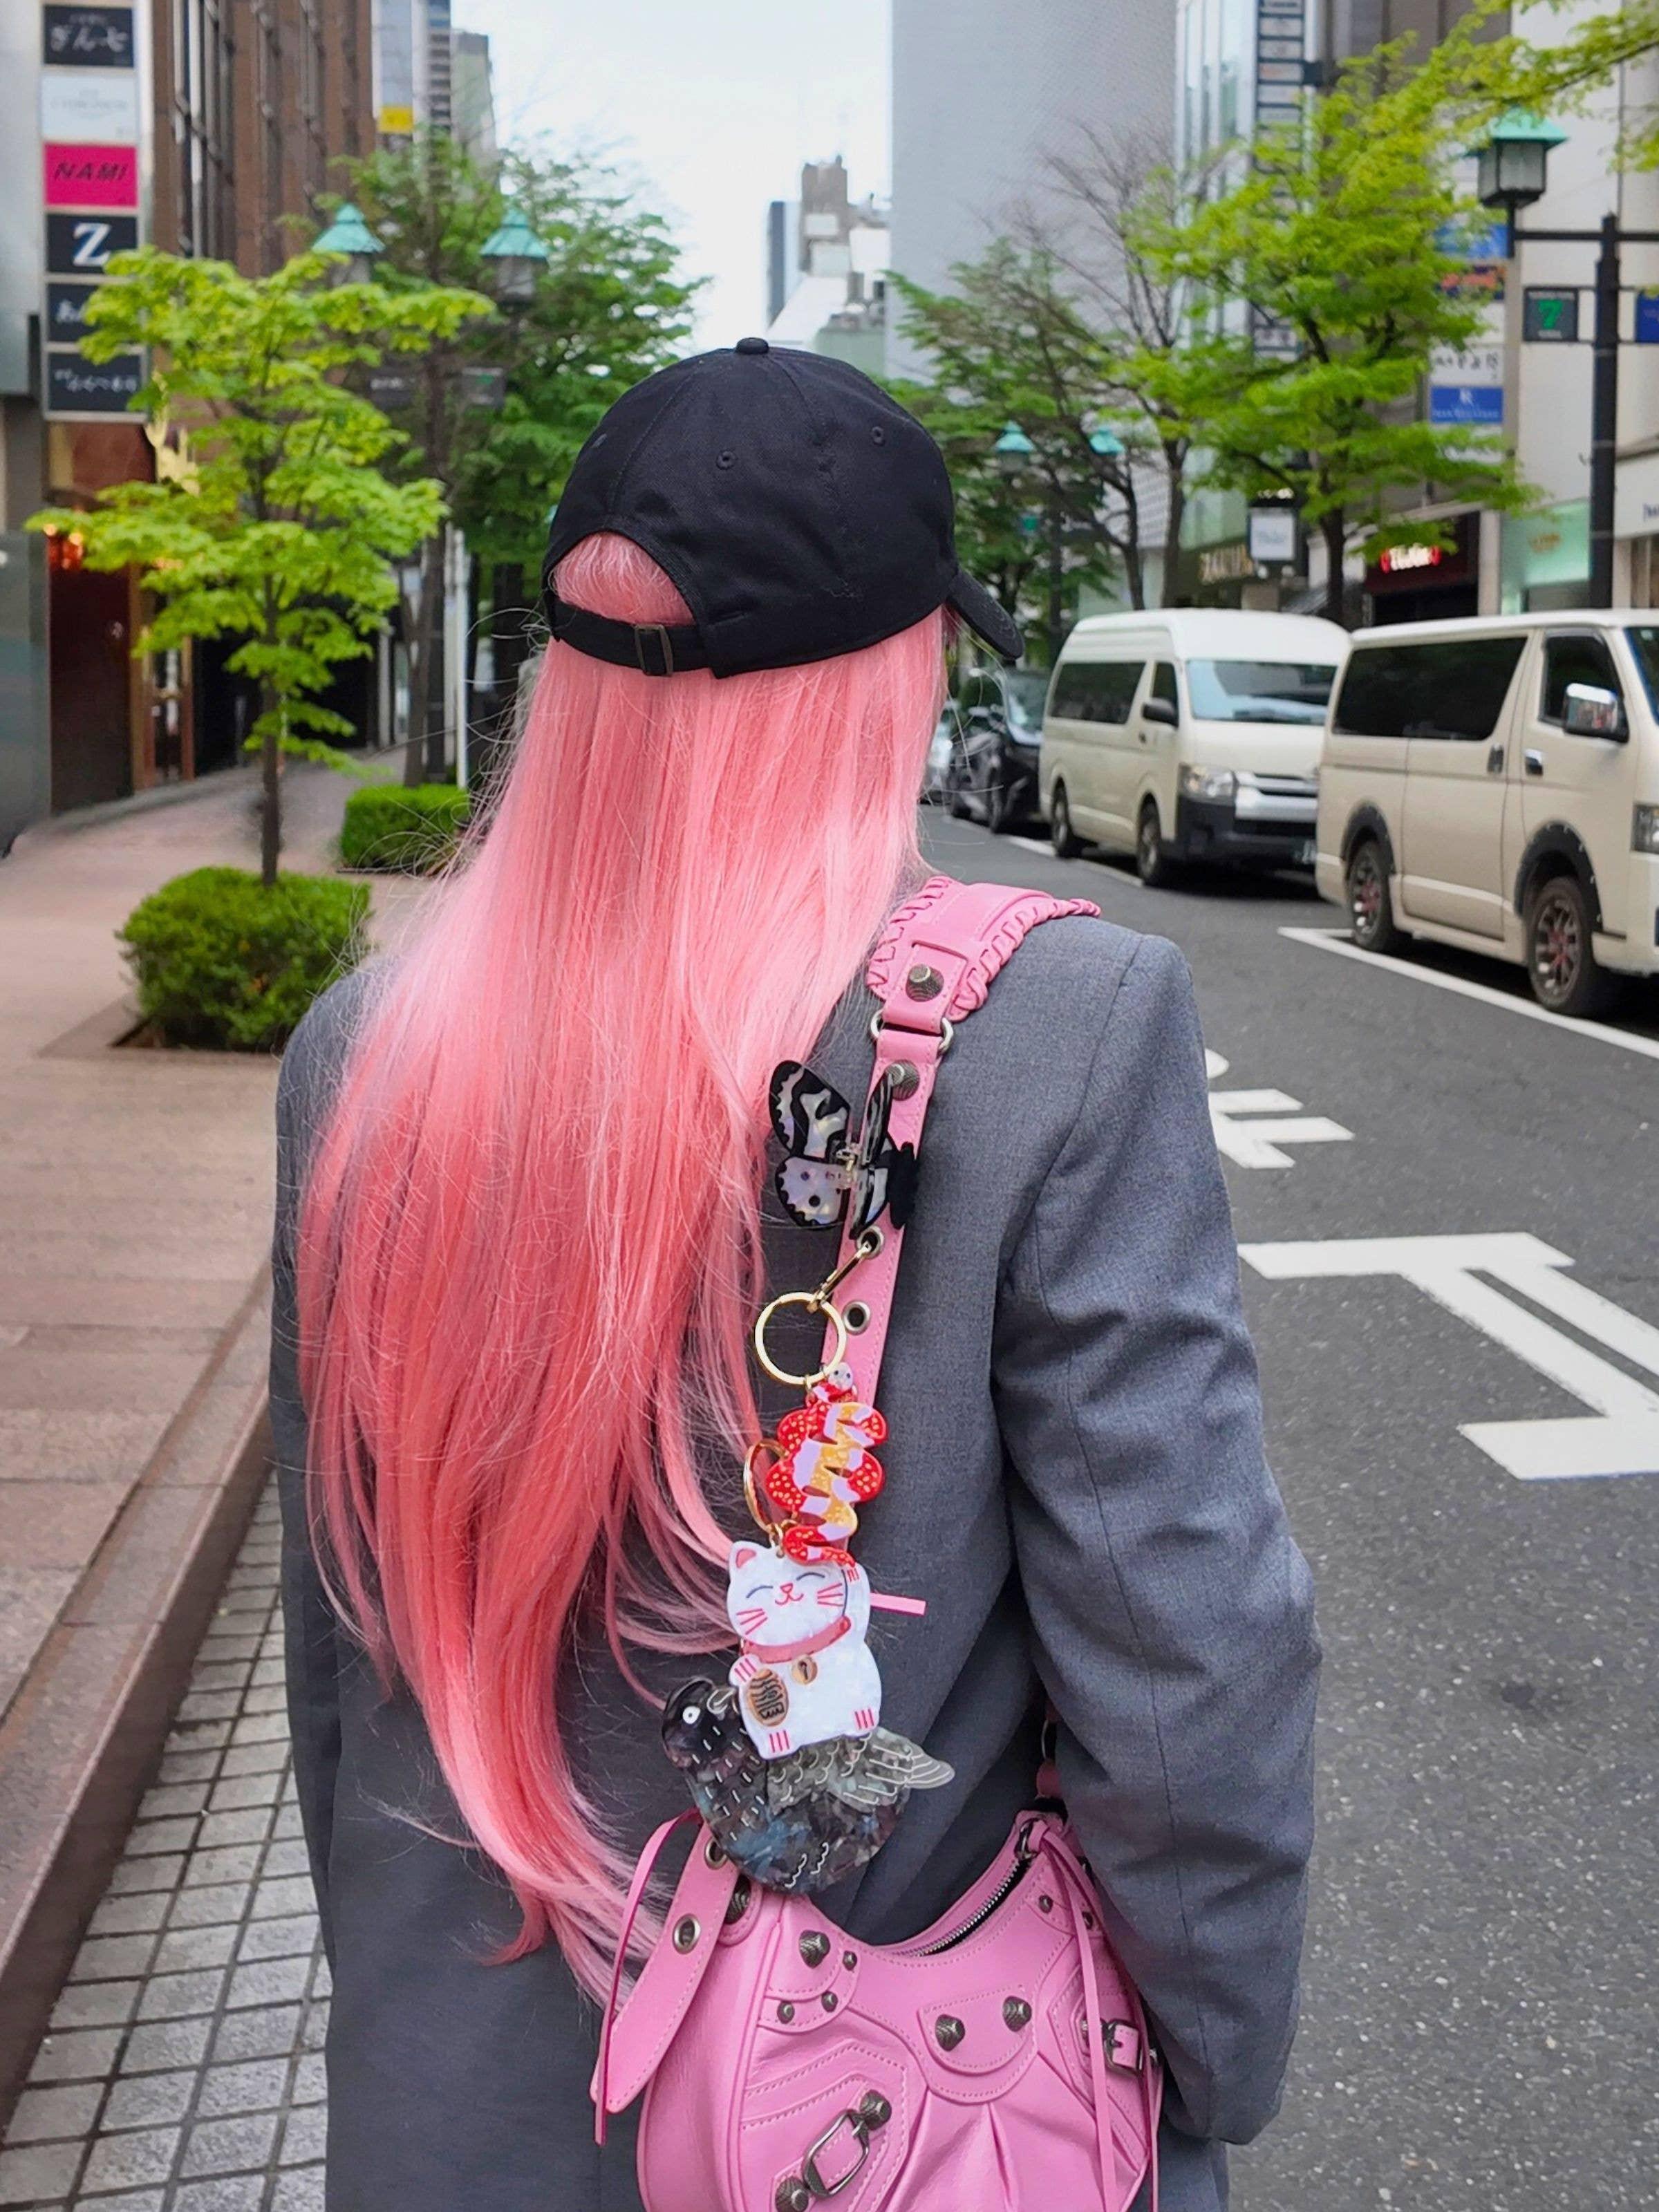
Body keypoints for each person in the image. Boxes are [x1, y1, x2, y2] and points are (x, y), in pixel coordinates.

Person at [272, 341, 1320, 2212]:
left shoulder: (374, 1051)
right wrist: (1212, 2058)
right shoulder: (1061, 1025)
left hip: (464, 2099)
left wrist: (400, 1997)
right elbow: (1184, 1657)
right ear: (885, 678)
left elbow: (342, 1645)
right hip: (888, 2115)